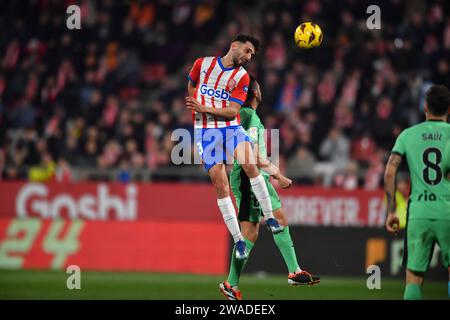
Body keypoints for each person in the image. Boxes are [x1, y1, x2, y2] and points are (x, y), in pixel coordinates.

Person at [219, 76, 320, 300]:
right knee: (270, 220)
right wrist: (278, 174)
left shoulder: (248, 116)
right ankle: (293, 271)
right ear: (255, 93)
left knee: (253, 231)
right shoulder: (247, 116)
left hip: (250, 175)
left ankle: (231, 283)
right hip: (248, 177)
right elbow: (252, 156)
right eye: (259, 87)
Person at [185, 35, 284, 261]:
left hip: (230, 127)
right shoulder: (202, 64)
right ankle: (239, 240)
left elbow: (232, 112)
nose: (248, 57)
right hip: (206, 132)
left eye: (251, 55)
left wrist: (202, 106)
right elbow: (191, 83)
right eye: (247, 51)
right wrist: (194, 104)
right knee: (221, 184)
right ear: (234, 46)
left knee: (249, 163)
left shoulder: (242, 77)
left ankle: (269, 217)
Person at [384, 84, 450, 300]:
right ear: (448, 109)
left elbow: (390, 171)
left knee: (413, 279)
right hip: (448, 211)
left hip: (419, 213)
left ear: (425, 107)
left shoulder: (408, 135)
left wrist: (391, 211)